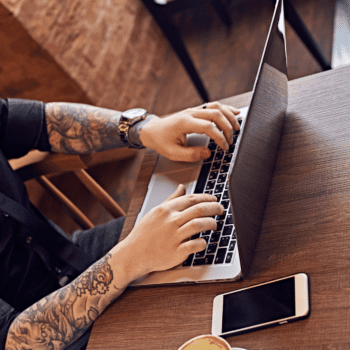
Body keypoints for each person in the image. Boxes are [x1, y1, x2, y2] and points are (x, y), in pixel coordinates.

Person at [0, 97, 240, 350]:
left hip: (70, 256)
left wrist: (142, 128)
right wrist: (130, 260)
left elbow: (42, 122)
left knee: (219, 221)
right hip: (46, 335)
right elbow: (17, 342)